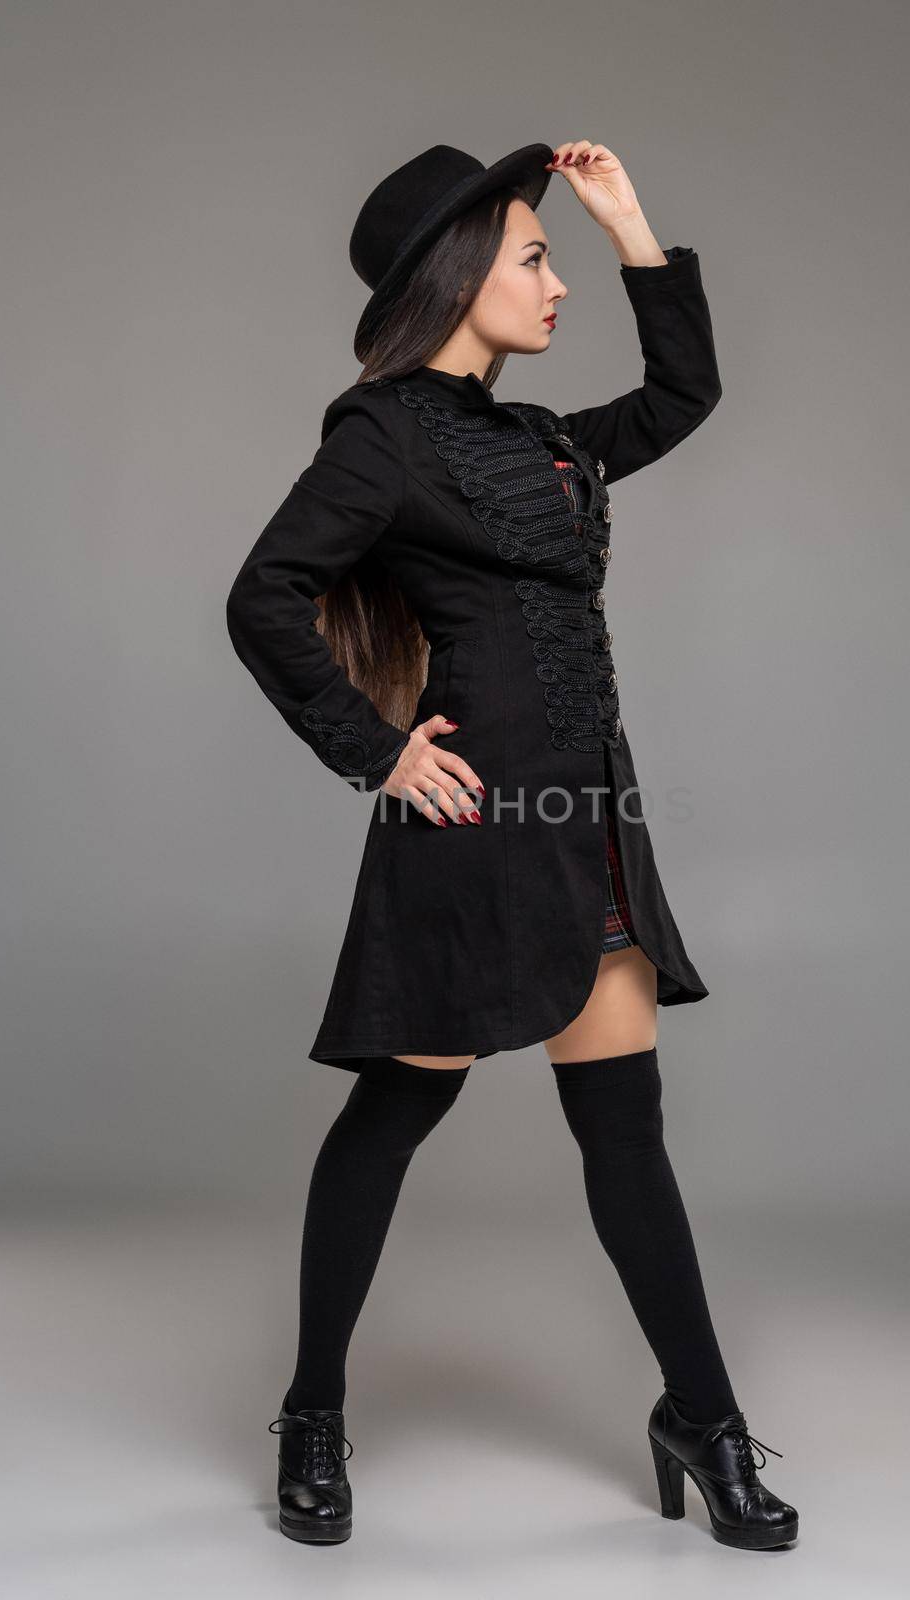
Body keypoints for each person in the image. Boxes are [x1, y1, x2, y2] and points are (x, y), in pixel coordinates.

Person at [226, 139, 799, 1552]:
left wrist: (628, 227)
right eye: (537, 257)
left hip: (588, 828)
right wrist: (379, 752)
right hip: (472, 834)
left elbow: (685, 394)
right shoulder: (384, 436)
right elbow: (265, 595)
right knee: (399, 1111)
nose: (556, 283)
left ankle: (704, 1422)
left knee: (626, 1137)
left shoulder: (544, 440)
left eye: (552, 257)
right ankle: (311, 1411)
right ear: (462, 272)